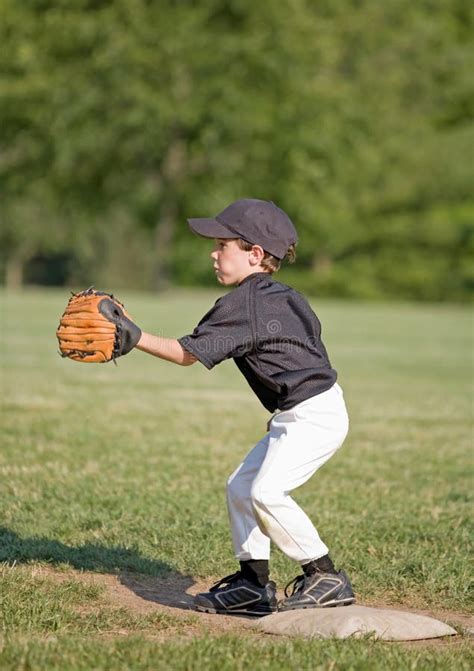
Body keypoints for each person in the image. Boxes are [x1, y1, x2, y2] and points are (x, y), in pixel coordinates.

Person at [136, 198, 355, 616]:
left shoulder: (247, 303)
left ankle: (325, 575)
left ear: (255, 254)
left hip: (314, 416)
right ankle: (253, 585)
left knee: (265, 491)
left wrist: (132, 336)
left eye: (223, 245)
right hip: (304, 413)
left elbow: (186, 353)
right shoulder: (282, 296)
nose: (213, 253)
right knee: (240, 486)